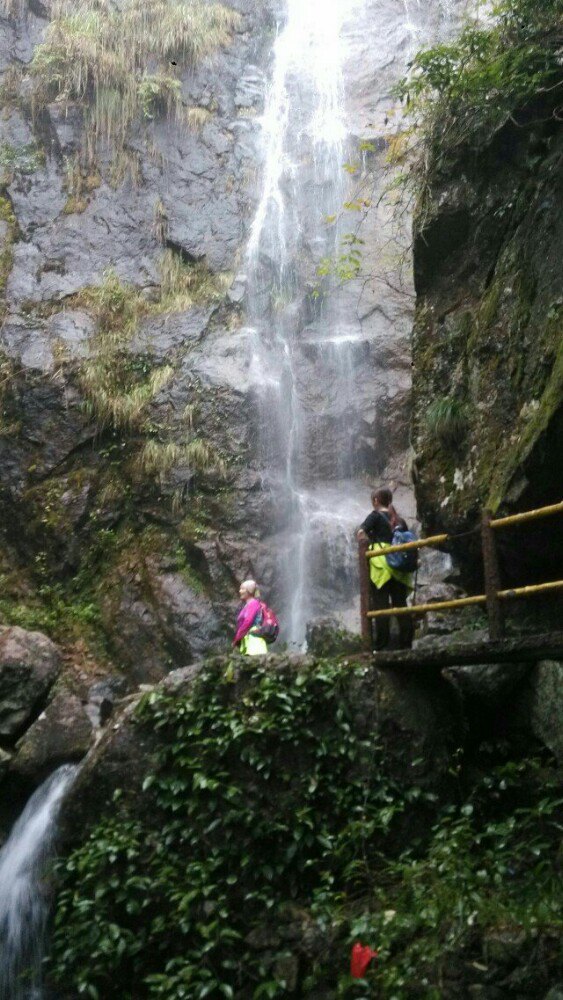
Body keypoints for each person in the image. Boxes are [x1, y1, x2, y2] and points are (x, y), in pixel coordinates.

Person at [357, 487, 414, 651]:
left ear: (376, 501)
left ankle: (381, 646)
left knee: (380, 607)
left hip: (381, 566)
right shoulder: (400, 520)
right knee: (400, 605)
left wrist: (367, 545)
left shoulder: (375, 516)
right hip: (399, 567)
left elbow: (361, 533)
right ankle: (406, 644)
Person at [233, 579, 268, 655]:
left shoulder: (253, 604)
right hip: (250, 641)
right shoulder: (249, 605)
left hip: (254, 642)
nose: (240, 591)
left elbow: (248, 621)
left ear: (249, 591)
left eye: (242, 589)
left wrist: (237, 637)